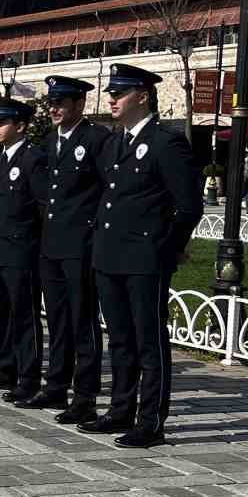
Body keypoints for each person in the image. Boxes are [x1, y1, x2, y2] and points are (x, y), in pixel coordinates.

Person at [89, 63, 202, 449]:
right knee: (119, 338)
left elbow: (188, 206)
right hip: (110, 254)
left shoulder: (165, 142)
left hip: (144, 257)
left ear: (142, 96)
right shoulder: (114, 142)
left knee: (148, 340)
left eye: (118, 93)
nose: (111, 99)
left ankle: (150, 420)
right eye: (111, 93)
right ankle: (121, 409)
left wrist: (167, 248)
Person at [30, 75, 111, 425]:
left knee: (82, 321)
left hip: (81, 245)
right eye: (52, 103)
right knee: (58, 319)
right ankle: (56, 384)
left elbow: (108, 190)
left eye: (61, 103)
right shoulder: (51, 141)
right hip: (52, 244)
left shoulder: (95, 139)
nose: (55, 109)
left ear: (80, 104)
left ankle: (86, 395)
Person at [0, 98, 45, 403]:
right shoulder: (1, 159)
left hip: (22, 251)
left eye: (2, 123)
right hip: (0, 250)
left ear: (21, 126)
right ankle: (6, 366)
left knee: (24, 316)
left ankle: (28, 377)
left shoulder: (32, 158)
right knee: (3, 312)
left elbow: (42, 208)